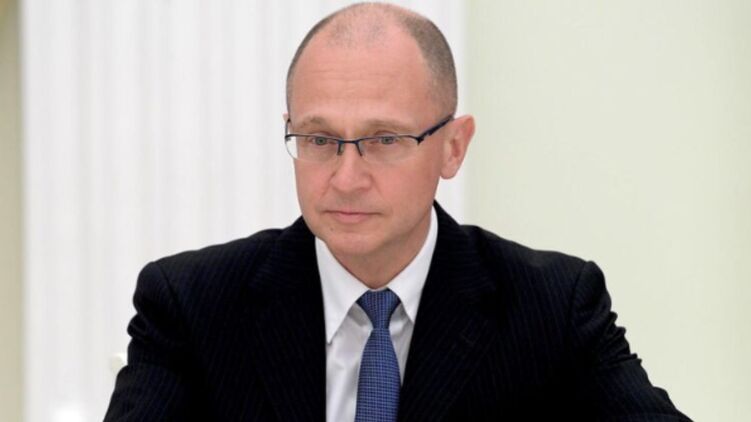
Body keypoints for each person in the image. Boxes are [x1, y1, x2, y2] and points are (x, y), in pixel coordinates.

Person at [105, 3, 690, 421]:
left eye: (384, 139)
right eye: (319, 139)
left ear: (453, 147)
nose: (346, 177)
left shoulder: (553, 307)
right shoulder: (190, 305)